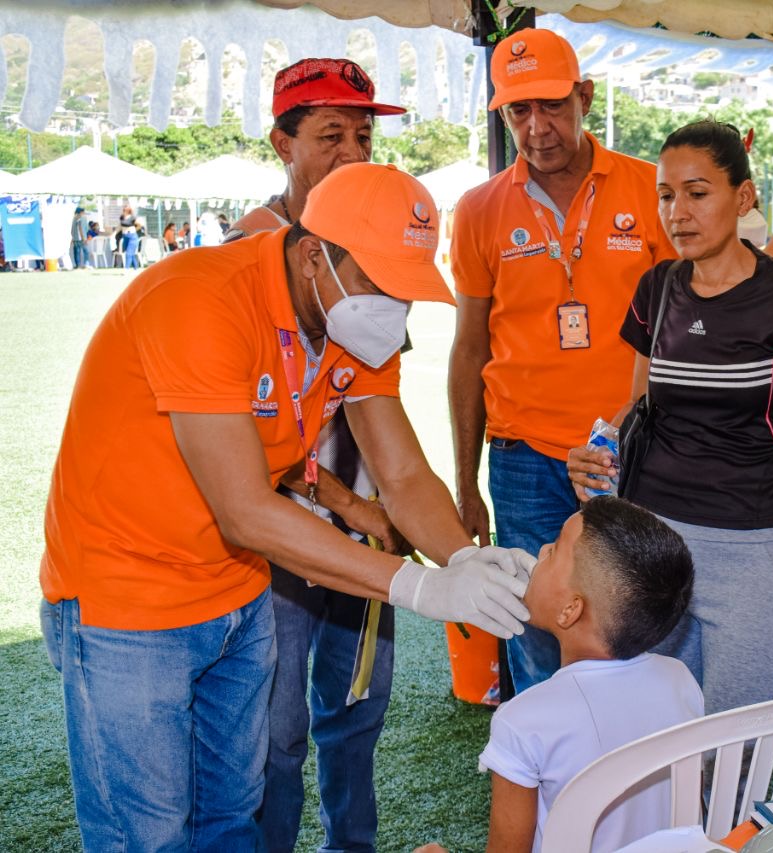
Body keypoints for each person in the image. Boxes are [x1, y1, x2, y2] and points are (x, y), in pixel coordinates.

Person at [39, 162, 536, 848]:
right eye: (379, 283)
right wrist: (421, 584)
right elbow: (243, 508)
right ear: (312, 255)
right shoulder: (199, 298)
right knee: (146, 835)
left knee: (231, 813)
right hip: (127, 599)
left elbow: (401, 471)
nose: (394, 308)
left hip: (235, 590)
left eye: (408, 291)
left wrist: (468, 559)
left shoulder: (348, 319)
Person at [568, 120, 773, 716]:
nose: (678, 212)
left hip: (755, 548)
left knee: (730, 747)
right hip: (654, 543)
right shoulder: (657, 287)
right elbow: (641, 408)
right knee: (654, 733)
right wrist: (594, 451)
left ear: (742, 198)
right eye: (666, 195)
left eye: (698, 193)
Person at [449, 28, 676, 695]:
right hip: (523, 460)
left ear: (584, 96)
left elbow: (685, 329)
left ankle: (633, 784)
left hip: (630, 451)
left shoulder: (648, 188)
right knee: (540, 638)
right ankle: (555, 791)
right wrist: (467, 483)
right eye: (519, 111)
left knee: (634, 623)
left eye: (551, 104)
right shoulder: (480, 209)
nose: (537, 126)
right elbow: (468, 351)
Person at [229, 57, 414, 853]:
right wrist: (347, 502)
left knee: (358, 711)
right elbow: (239, 444)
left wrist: (397, 509)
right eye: (329, 134)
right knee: (274, 733)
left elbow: (382, 402)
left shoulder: (381, 235)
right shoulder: (242, 250)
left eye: (363, 136)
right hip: (275, 529)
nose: (351, 152)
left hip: (364, 514)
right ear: (282, 143)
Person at [416, 498, 701, 853]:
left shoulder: (523, 722)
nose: (543, 549)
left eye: (555, 551)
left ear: (570, 610)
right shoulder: (680, 680)